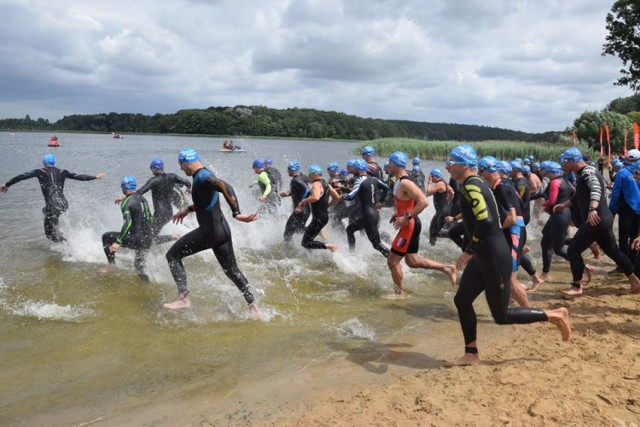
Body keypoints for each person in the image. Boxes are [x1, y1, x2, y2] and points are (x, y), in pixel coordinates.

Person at [444, 145, 570, 367]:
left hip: (493, 257)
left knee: (501, 316)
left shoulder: (473, 186)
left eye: (451, 161)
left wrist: (468, 251)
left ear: (463, 165)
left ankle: (555, 315)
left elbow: (486, 221)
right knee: (462, 300)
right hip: (484, 256)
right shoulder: (475, 183)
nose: (447, 165)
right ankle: (471, 354)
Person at [164, 148, 262, 317]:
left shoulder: (202, 176)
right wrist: (187, 209)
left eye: (181, 165)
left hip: (209, 232)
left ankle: (184, 299)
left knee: (172, 256)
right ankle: (253, 306)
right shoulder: (204, 175)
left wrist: (237, 213)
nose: (181, 169)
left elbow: (225, 186)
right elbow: (205, 202)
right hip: (222, 231)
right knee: (232, 270)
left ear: (187, 162)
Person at [553, 147, 640, 296]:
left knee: (573, 250)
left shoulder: (588, 172)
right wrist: (564, 205)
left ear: (574, 160)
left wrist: (592, 209)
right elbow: (580, 195)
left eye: (566, 162)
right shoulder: (583, 173)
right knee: (613, 252)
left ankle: (576, 286)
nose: (564, 165)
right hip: (603, 219)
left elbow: (595, 189)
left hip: (596, 219)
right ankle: (635, 281)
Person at [386, 152, 456, 297]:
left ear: (394, 164)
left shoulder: (405, 182)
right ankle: (447, 268)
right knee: (412, 261)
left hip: (409, 225)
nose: (388, 165)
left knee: (392, 262)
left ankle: (398, 294)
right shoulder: (399, 181)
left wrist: (406, 217)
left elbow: (423, 201)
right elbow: (407, 202)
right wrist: (398, 214)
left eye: (389, 163)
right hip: (410, 223)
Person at [0, 154, 105, 242]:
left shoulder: (39, 172)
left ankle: (69, 246)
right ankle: (58, 226)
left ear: (44, 163)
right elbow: (79, 176)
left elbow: (22, 176)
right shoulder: (63, 171)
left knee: (49, 234)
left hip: (52, 205)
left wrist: (7, 184)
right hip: (63, 203)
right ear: (54, 162)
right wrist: (95, 177)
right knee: (45, 210)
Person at [478, 156, 534, 308]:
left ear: (487, 171)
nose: (479, 175)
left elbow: (512, 217)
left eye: (480, 171)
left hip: (514, 231)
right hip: (514, 231)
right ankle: (510, 299)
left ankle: (529, 312)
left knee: (510, 278)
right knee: (504, 273)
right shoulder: (505, 183)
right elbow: (521, 205)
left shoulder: (501, 186)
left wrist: (495, 230)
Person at [101, 176, 175, 282]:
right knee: (139, 267)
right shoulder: (143, 199)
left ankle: (112, 266)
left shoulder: (126, 203)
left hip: (136, 240)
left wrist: (118, 242)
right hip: (147, 240)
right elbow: (149, 219)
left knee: (106, 237)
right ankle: (147, 284)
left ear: (124, 187)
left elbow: (128, 223)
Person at [128, 158, 192, 237]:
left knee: (149, 236)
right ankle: (168, 241)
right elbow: (187, 182)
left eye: (151, 168)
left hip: (160, 214)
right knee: (152, 232)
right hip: (169, 213)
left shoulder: (153, 180)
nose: (151, 171)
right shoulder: (172, 176)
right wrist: (189, 189)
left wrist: (126, 196)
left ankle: (174, 237)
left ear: (154, 168)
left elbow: (140, 192)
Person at [534, 161, 573, 287]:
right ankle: (546, 273)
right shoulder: (565, 180)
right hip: (562, 214)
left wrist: (544, 206)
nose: (545, 174)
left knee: (559, 249)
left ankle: (585, 266)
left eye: (546, 172)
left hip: (559, 215)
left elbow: (552, 201)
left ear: (550, 173)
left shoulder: (555, 182)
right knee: (545, 241)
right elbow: (574, 193)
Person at [343, 160, 390, 257]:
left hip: (368, 216)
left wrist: (343, 194)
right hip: (373, 214)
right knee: (349, 229)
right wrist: (380, 201)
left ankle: (395, 259)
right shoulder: (374, 179)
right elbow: (386, 188)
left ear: (357, 169)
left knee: (377, 244)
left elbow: (350, 196)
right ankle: (351, 255)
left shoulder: (359, 180)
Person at [608, 149, 640, 274]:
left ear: (627, 159)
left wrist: (611, 211)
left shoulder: (622, 173)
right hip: (638, 211)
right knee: (635, 237)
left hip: (626, 210)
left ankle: (623, 266)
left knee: (623, 239)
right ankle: (634, 263)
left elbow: (615, 194)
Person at [296, 164, 341, 252]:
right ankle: (315, 256)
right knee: (309, 239)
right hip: (324, 217)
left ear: (314, 174)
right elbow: (337, 198)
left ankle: (331, 246)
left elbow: (315, 197)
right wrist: (327, 206)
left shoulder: (316, 184)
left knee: (305, 242)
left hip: (318, 218)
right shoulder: (326, 184)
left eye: (309, 174)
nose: (309, 176)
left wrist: (303, 201)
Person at [280, 160, 311, 243]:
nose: (287, 171)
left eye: (288, 169)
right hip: (306, 210)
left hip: (300, 210)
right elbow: (301, 190)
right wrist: (288, 193)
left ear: (292, 169)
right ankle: (315, 230)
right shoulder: (303, 176)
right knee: (298, 230)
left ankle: (287, 250)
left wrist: (300, 206)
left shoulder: (296, 180)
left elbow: (307, 190)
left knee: (287, 231)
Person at [425, 168, 450, 246]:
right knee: (434, 230)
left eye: (431, 176)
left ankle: (454, 234)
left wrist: (429, 182)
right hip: (443, 211)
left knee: (434, 231)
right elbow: (451, 191)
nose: (430, 178)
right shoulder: (444, 182)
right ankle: (432, 246)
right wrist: (449, 202)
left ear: (435, 176)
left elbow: (428, 192)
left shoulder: (440, 184)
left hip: (442, 212)